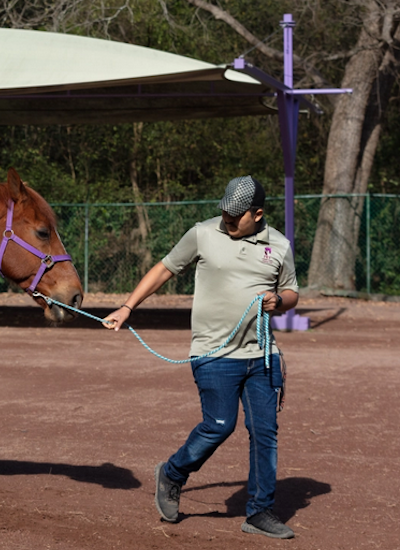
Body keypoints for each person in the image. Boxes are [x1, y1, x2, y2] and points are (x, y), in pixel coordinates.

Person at [102, 175, 299, 540]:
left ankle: (259, 511)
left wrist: (279, 302)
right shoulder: (203, 233)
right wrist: (128, 306)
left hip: (262, 355)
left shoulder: (280, 246)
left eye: (235, 216)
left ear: (257, 214)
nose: (226, 220)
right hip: (214, 352)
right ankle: (173, 473)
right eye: (224, 213)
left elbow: (291, 292)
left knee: (265, 433)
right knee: (219, 425)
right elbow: (164, 268)